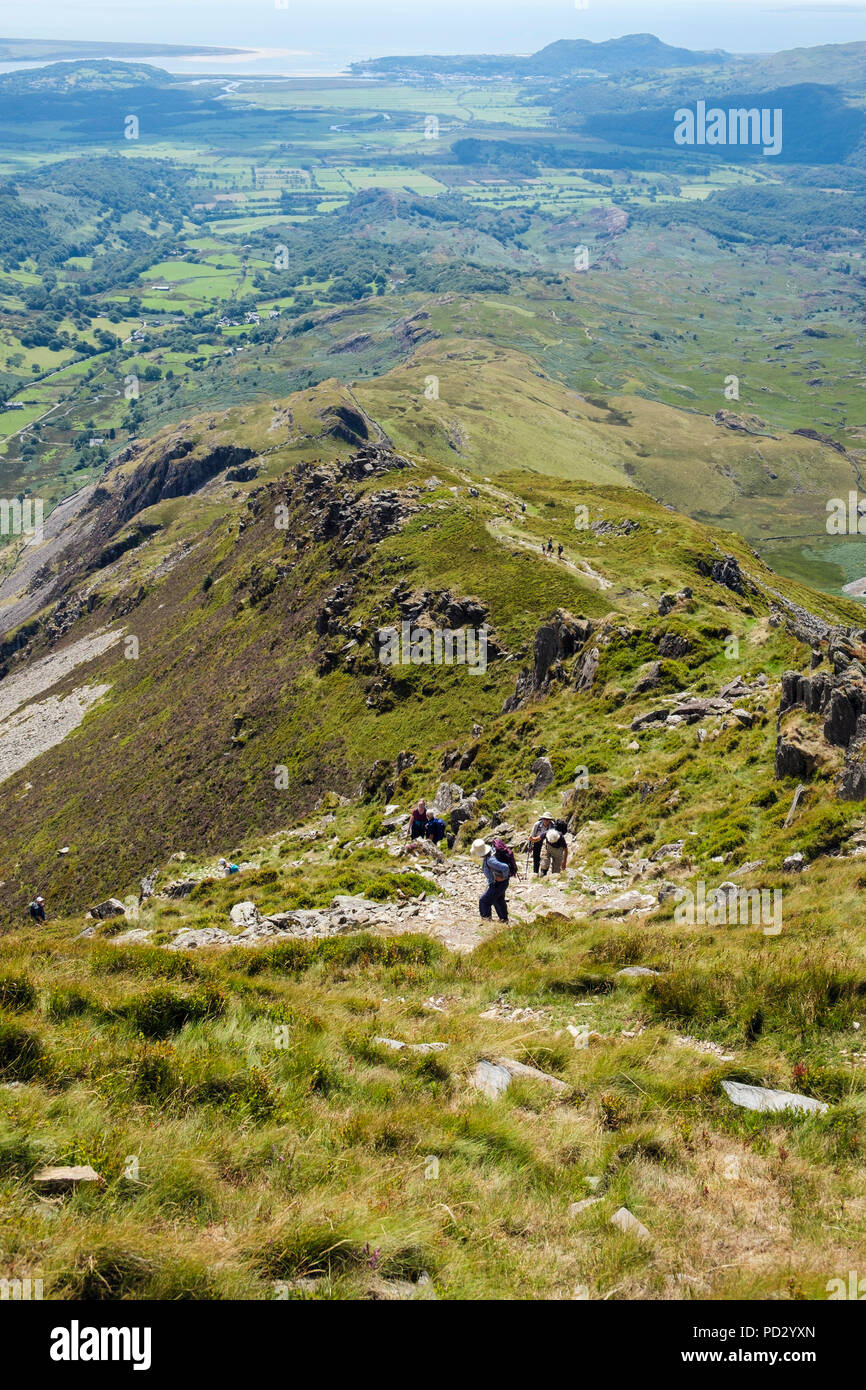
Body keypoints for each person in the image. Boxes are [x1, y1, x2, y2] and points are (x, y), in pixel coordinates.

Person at [472, 838, 511, 923]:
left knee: (484, 901)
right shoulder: (491, 853)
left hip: (498, 883)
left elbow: (505, 867)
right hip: (500, 883)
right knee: (498, 899)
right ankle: (504, 919)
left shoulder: (490, 860)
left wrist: (504, 877)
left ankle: (486, 921)